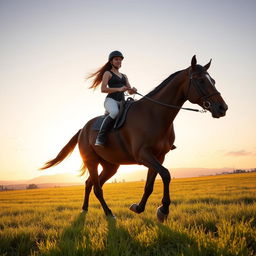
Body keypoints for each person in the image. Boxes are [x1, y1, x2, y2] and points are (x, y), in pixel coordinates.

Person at [87, 51, 137, 146]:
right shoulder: (108, 73)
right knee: (114, 112)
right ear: (111, 61)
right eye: (116, 59)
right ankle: (100, 138)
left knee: (136, 110)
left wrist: (133, 90)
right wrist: (119, 89)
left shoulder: (124, 76)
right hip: (111, 101)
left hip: (122, 102)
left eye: (120, 60)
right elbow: (103, 89)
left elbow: (129, 91)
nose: (119, 61)